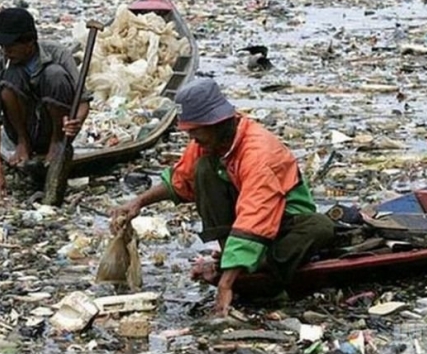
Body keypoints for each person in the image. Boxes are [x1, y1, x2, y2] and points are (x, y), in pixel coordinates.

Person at [110, 78, 337, 316]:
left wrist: (226, 283)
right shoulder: (209, 143)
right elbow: (181, 181)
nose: (193, 140)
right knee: (203, 169)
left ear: (217, 123)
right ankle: (233, 258)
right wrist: (138, 202)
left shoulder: (258, 153)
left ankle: (250, 270)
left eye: (196, 133)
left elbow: (255, 218)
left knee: (320, 226)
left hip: (284, 222)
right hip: (247, 222)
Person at [0, 8, 92, 202]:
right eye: (2, 46)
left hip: (56, 128)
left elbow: (83, 102)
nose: (6, 51)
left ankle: (55, 144)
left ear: (30, 42)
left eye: (11, 46)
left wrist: (76, 123)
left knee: (54, 74)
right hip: (22, 129)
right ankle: (24, 143)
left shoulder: (58, 54)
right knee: (11, 77)